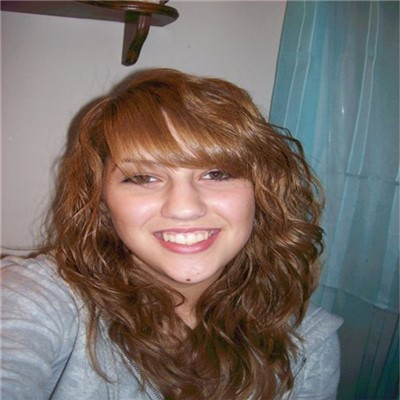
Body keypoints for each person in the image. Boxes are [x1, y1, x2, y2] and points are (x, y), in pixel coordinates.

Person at [1, 68, 343, 400]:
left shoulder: (307, 345)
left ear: (261, 190)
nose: (184, 208)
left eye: (217, 173)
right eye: (143, 178)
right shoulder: (40, 297)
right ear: (102, 199)